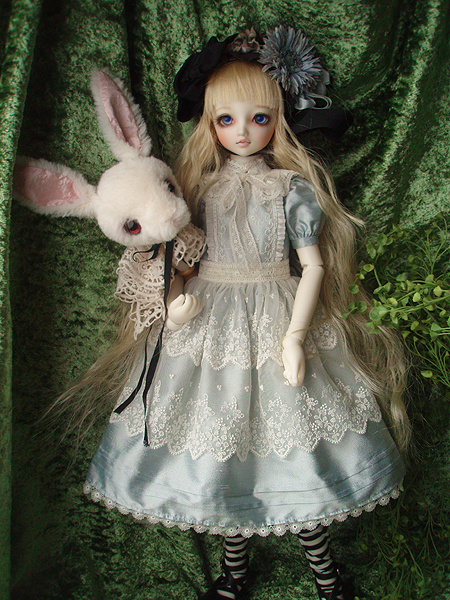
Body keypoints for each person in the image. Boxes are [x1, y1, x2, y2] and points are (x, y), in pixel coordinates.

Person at [83, 27, 409, 600]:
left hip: (279, 314)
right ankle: (234, 575)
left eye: (259, 118)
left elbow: (312, 267)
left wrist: (296, 336)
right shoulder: (196, 190)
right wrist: (172, 306)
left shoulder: (290, 188)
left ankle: (326, 577)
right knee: (221, 457)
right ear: (209, 124)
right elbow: (180, 260)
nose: (242, 132)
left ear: (279, 119)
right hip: (209, 323)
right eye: (226, 119)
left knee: (300, 453)